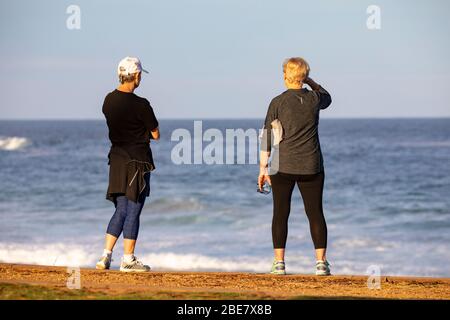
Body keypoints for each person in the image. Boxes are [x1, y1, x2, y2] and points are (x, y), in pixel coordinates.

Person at [258, 57, 332, 276]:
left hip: (282, 166)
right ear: (304, 76)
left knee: (280, 213)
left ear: (285, 76)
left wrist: (263, 168)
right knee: (315, 213)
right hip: (312, 165)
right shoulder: (315, 99)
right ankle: (321, 264)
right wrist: (311, 82)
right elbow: (328, 97)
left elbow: (267, 137)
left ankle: (279, 264)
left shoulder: (277, 102)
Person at [96, 56, 160, 272]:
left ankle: (105, 256)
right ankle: (128, 259)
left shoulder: (108, 100)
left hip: (116, 159)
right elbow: (156, 133)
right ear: (138, 76)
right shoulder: (142, 104)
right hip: (137, 162)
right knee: (133, 210)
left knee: (121, 209)